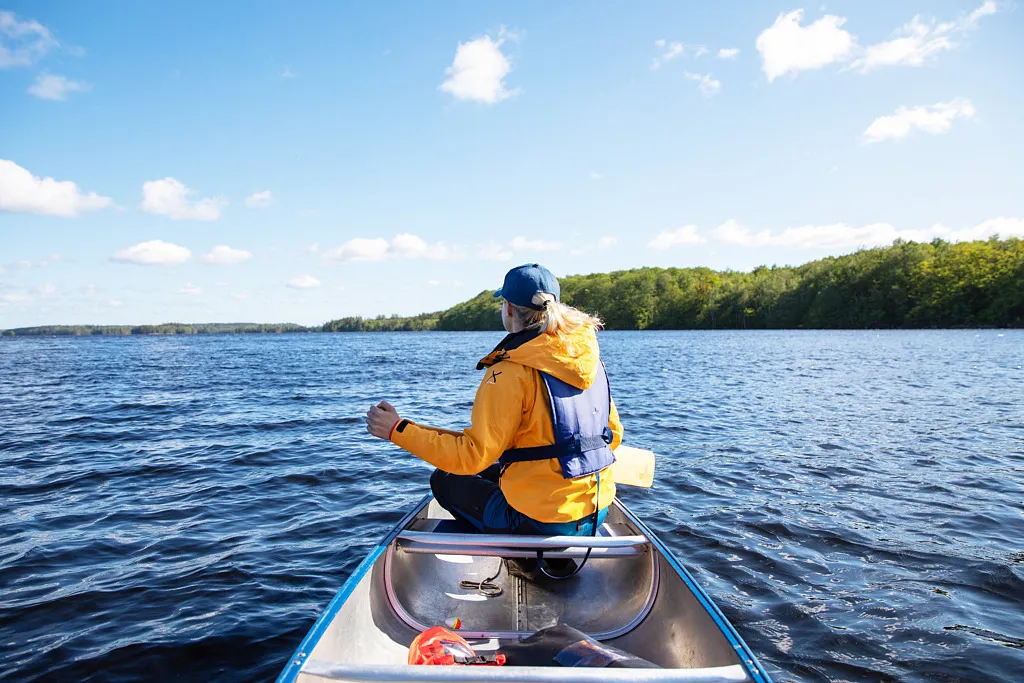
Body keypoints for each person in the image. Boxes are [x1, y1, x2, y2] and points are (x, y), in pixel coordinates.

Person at [365, 264, 623, 569]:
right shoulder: (588, 361)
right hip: (596, 510)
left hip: (541, 526)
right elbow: (614, 438)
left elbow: (471, 457)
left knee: (445, 480)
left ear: (509, 310)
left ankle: (529, 560)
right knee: (497, 467)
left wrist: (397, 430)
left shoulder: (509, 371)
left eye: (503, 303)